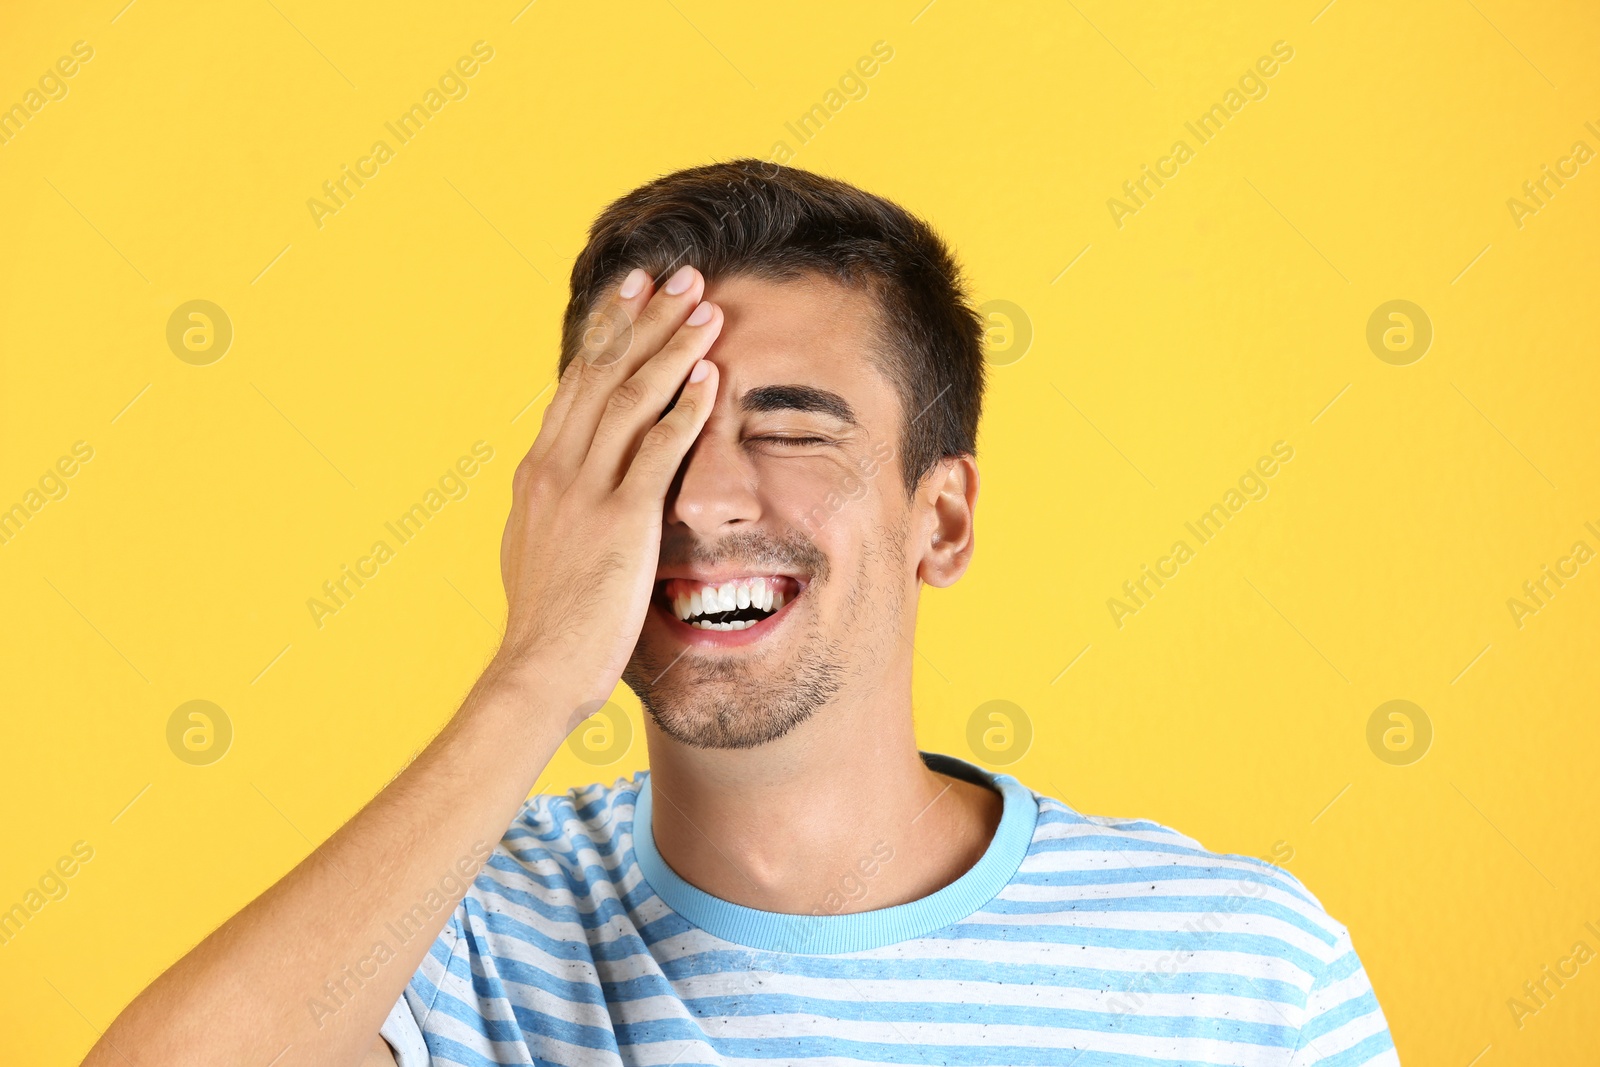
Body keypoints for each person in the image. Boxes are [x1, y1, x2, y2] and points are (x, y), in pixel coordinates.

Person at [84, 160, 1398, 1067]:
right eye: (653, 431)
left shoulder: (1238, 970)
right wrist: (535, 672)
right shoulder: (449, 934)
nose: (704, 497)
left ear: (939, 520)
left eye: (789, 427)